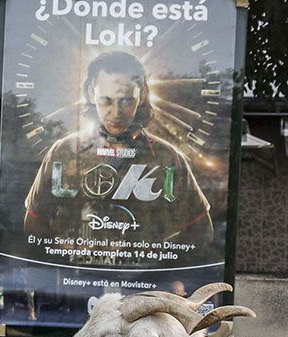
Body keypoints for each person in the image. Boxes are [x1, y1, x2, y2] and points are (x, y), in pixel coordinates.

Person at [23, 51, 213, 256]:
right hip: (76, 282)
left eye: (126, 101)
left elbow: (202, 230)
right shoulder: (63, 152)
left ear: (141, 96)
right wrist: (61, 265)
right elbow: (33, 225)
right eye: (106, 100)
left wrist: (163, 268)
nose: (116, 113)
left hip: (143, 284)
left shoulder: (168, 157)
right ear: (90, 93)